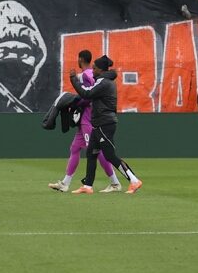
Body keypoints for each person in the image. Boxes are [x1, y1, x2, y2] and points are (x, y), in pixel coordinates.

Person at [68, 54, 142, 195]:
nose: (93, 70)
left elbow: (86, 93)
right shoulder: (105, 81)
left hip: (104, 123)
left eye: (95, 68)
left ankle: (134, 180)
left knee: (110, 155)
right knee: (91, 153)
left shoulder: (103, 82)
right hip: (100, 123)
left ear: (101, 70)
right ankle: (88, 186)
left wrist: (73, 79)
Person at [48, 50, 120, 193]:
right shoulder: (90, 74)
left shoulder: (86, 75)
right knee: (74, 148)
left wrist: (74, 102)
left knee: (97, 151)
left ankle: (115, 183)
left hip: (88, 118)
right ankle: (65, 183)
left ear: (80, 59)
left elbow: (89, 96)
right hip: (84, 119)